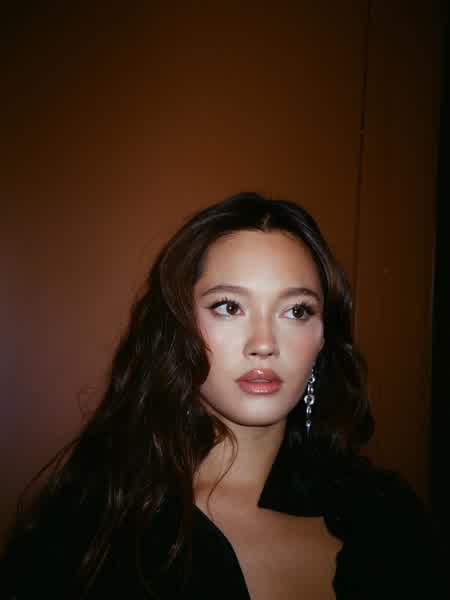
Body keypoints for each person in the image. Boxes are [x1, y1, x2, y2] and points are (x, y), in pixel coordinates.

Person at [1, 193, 446, 599]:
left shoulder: (387, 517)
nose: (264, 343)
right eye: (229, 307)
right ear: (179, 329)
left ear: (322, 338)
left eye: (296, 311)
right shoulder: (86, 529)